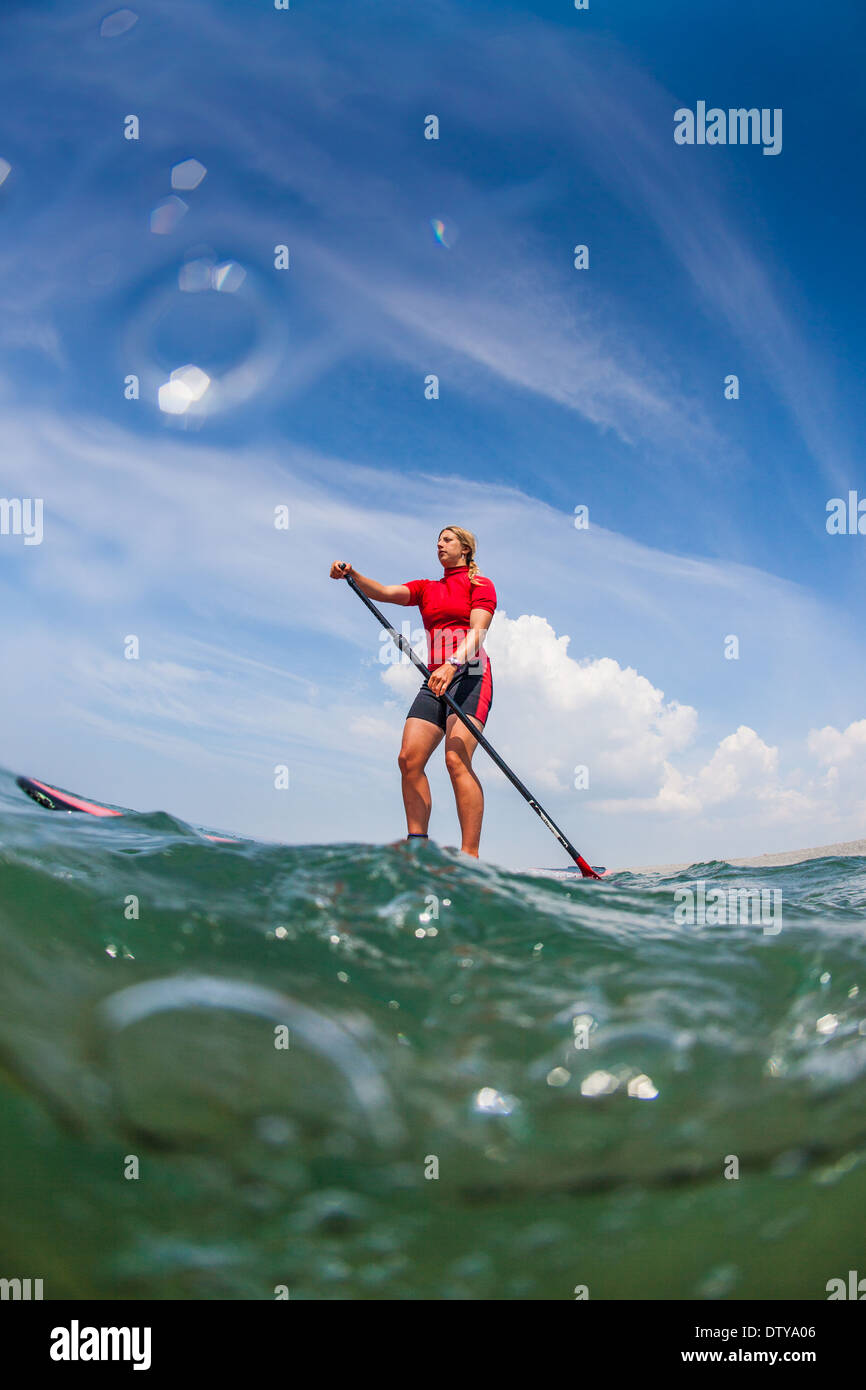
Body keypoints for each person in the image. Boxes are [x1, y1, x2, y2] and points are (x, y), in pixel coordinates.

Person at [329, 526, 497, 856]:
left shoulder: (481, 584)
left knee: (455, 759)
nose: (439, 544)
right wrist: (353, 574)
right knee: (409, 759)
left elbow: (478, 633)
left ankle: (470, 857)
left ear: (464, 549)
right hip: (435, 678)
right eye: (437, 540)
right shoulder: (426, 588)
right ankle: (416, 848)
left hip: (470, 673)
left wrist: (451, 663)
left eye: (447, 540)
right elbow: (385, 592)